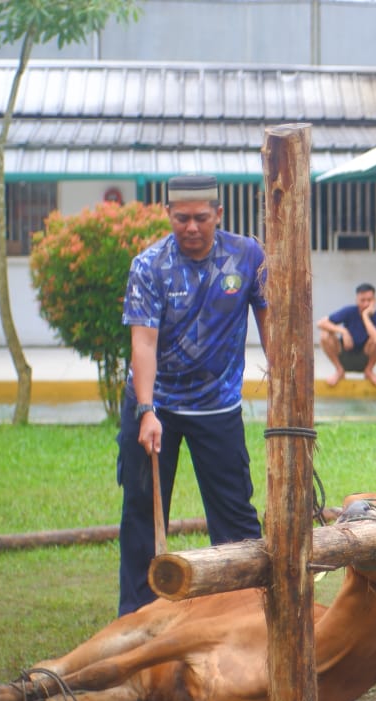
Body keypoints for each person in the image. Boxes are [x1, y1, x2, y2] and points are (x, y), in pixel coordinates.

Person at [117, 174, 267, 615]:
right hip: (155, 405)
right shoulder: (150, 266)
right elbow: (143, 343)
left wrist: (283, 376)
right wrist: (146, 411)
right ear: (169, 215)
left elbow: (268, 316)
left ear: (218, 215)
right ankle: (137, 616)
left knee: (235, 515)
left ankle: (248, 607)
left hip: (217, 407)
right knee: (141, 511)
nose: (191, 227)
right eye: (181, 218)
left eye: (201, 218)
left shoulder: (246, 256)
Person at [318, 283, 376, 387]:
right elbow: (321, 323)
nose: (366, 304)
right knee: (325, 335)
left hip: (365, 357)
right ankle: (339, 370)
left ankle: (369, 371)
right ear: (357, 300)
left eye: (369, 300)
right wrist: (343, 331)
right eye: (362, 300)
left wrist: (365, 316)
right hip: (344, 355)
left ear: (374, 301)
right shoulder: (349, 311)